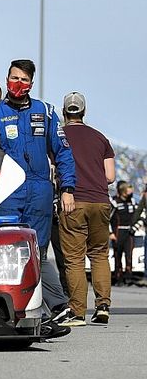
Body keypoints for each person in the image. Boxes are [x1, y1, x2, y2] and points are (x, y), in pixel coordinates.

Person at [0, 60, 75, 337]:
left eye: (23, 79)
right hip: (7, 192)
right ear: (6, 79)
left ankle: (42, 312)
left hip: (40, 191)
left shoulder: (47, 112)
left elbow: (63, 153)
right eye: (13, 78)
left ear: (31, 83)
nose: (17, 83)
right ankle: (4, 311)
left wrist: (67, 188)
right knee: (5, 252)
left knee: (37, 253)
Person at [57, 91, 114, 326]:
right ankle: (103, 307)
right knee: (100, 254)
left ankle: (77, 311)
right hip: (100, 201)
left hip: (73, 201)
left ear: (64, 112)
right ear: (84, 112)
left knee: (74, 258)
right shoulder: (100, 138)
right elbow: (110, 176)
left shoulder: (58, 136)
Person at [111, 180, 137, 287]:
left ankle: (128, 277)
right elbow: (107, 218)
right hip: (118, 232)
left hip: (129, 232)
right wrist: (110, 233)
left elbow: (139, 215)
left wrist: (135, 227)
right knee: (118, 255)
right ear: (122, 190)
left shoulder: (133, 201)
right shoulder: (114, 202)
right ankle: (118, 277)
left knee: (129, 255)